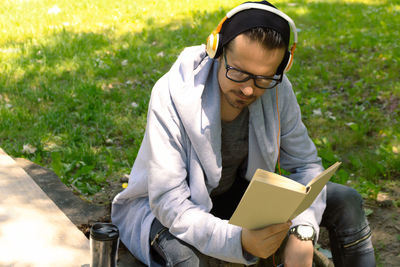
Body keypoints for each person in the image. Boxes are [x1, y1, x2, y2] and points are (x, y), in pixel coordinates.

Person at [111, 1, 376, 266]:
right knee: (188, 261)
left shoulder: (278, 89)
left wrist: (302, 229)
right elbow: (169, 202)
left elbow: (305, 165)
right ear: (216, 50)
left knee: (346, 202)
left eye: (263, 78)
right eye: (238, 72)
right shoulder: (171, 92)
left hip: (241, 202)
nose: (249, 90)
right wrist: (238, 240)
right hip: (167, 211)